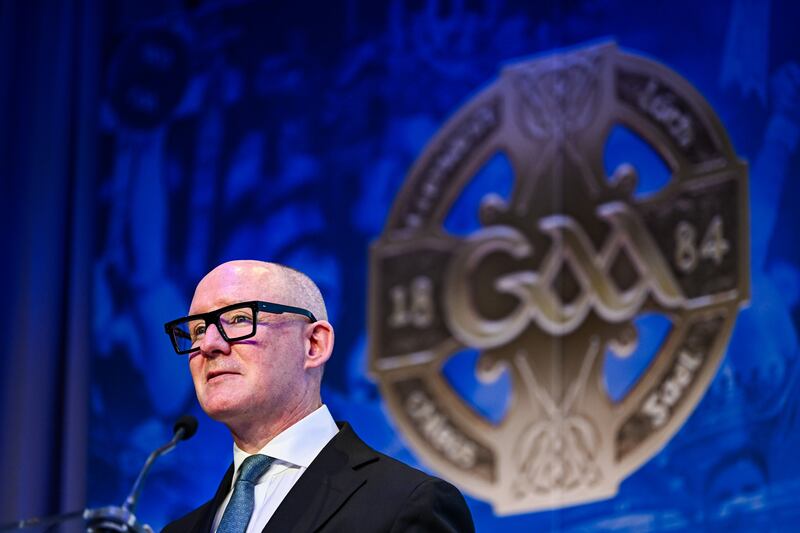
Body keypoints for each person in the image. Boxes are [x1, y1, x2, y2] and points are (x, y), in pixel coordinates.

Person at [162, 260, 474, 533]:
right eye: (198, 329)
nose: (208, 344)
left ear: (314, 344)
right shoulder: (179, 529)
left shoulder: (406, 504)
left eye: (240, 319)